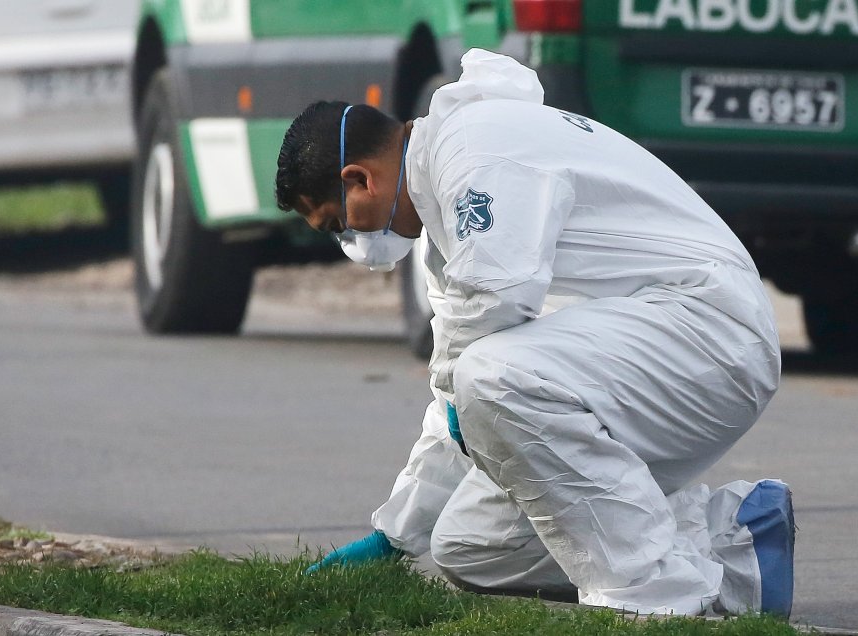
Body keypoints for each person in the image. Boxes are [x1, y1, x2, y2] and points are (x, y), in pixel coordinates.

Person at [275, 49, 792, 617]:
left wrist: (464, 403)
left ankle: (651, 603)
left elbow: (491, 322)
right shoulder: (445, 211)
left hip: (710, 330)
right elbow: (457, 387)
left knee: (491, 378)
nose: (350, 242)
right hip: (656, 341)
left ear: (359, 179)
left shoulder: (475, 149)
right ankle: (740, 542)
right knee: (472, 546)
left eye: (337, 224)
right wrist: (394, 535)